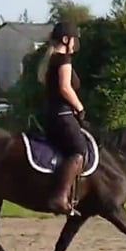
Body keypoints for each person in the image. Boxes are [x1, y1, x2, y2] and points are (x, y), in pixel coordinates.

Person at [36, 20, 88, 216]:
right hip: (62, 116)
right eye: (73, 39)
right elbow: (65, 88)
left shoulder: (50, 60)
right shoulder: (63, 59)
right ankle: (59, 196)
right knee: (79, 150)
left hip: (51, 115)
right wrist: (79, 107)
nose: (75, 43)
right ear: (66, 40)